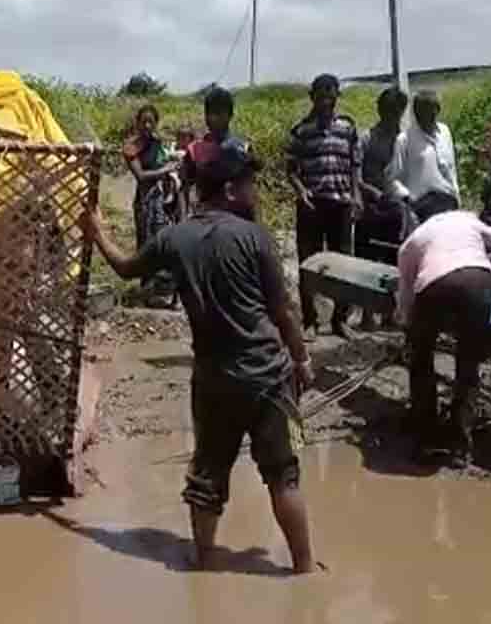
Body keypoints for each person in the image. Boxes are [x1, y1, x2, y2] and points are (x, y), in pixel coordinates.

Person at [81, 140, 317, 574]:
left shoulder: (175, 238)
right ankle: (304, 569)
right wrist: (301, 361)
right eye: (250, 185)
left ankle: (205, 566)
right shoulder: (254, 237)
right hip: (267, 375)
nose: (255, 193)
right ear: (229, 190)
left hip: (214, 380)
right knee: (283, 475)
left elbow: (126, 268)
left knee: (207, 479)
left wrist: (97, 233)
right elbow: (283, 311)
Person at [395, 210, 491, 468]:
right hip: (478, 283)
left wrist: (406, 320)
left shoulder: (414, 239)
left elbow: (405, 291)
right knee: (467, 364)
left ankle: (426, 438)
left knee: (421, 360)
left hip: (433, 284)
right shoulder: (468, 221)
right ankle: (460, 446)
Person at [288, 74, 361, 341]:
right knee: (308, 264)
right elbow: (291, 169)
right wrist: (301, 190)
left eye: (330, 95)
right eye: (321, 95)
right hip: (311, 206)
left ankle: (340, 320)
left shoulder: (347, 127)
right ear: (312, 97)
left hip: (340, 204)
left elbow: (355, 165)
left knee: (343, 264)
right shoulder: (301, 130)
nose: (326, 100)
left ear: (337, 96)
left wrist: (356, 196)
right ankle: (310, 321)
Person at [355, 87, 410, 330]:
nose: (393, 117)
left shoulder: (404, 140)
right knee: (367, 261)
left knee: (392, 262)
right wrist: (371, 192)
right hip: (370, 208)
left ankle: (388, 314)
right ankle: (367, 314)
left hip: (395, 210)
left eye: (397, 112)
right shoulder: (366, 138)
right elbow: (355, 176)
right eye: (389, 111)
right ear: (380, 111)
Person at [122, 104, 180, 308]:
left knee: (163, 243)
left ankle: (160, 290)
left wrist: (171, 169)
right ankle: (145, 292)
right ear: (137, 123)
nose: (147, 125)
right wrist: (166, 170)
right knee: (146, 244)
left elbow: (167, 162)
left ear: (156, 123)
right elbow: (141, 176)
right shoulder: (131, 147)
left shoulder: (157, 143)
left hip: (161, 201)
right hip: (145, 202)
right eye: (143, 121)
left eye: (151, 121)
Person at [387, 90, 460, 223]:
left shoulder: (445, 132)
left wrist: (458, 199)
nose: (427, 117)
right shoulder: (404, 140)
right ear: (415, 113)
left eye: (431, 112)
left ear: (437, 110)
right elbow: (393, 180)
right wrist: (408, 200)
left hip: (449, 204)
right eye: (422, 112)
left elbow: (452, 170)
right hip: (421, 208)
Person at [181, 87, 249, 213]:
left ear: (230, 115)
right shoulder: (195, 149)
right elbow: (184, 186)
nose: (212, 118)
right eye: (209, 113)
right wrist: (184, 218)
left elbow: (251, 191)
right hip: (206, 220)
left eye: (218, 113)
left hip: (238, 219)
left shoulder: (243, 148)